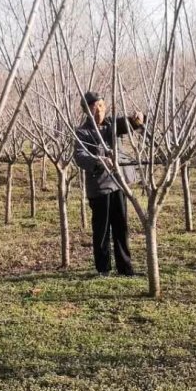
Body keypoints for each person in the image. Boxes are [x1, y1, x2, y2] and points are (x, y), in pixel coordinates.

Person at [73, 91, 144, 276]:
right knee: (102, 231)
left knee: (121, 228)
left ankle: (125, 268)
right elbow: (80, 156)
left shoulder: (112, 124)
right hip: (99, 187)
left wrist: (136, 120)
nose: (100, 110)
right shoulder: (83, 132)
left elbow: (127, 123)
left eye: (102, 106)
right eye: (95, 107)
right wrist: (99, 161)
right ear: (87, 111)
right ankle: (103, 269)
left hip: (118, 184)